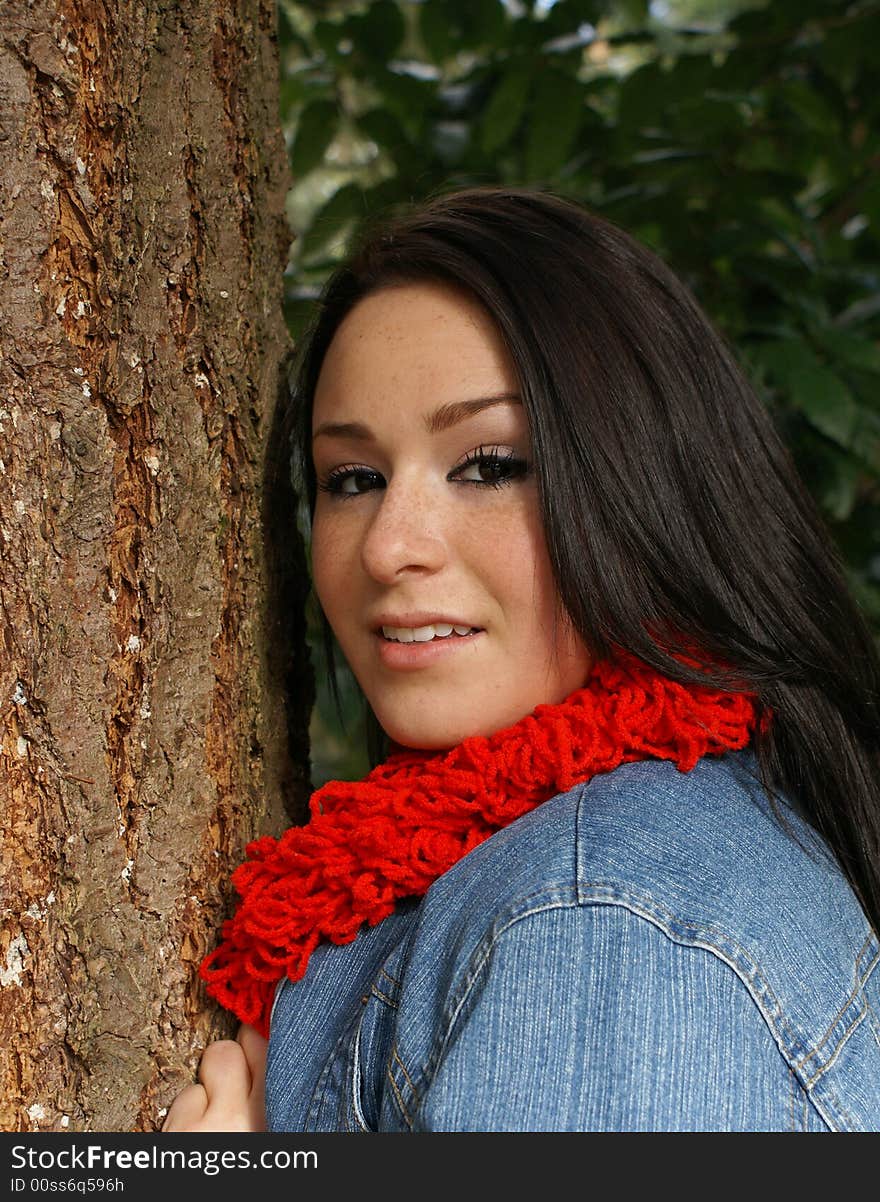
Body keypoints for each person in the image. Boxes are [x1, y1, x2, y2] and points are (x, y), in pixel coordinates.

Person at [163, 186, 880, 1133]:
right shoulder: (581, 854)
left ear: (642, 484)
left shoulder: (597, 926)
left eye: (489, 465)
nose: (389, 546)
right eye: (354, 479)